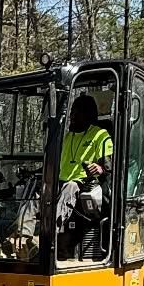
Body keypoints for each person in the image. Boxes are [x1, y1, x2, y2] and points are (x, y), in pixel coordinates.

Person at [56, 94, 113, 252]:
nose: (72, 117)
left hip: (84, 184)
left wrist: (100, 168)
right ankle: (22, 238)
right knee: (37, 194)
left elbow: (110, 165)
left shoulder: (100, 136)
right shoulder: (67, 137)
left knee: (70, 187)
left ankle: (48, 237)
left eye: (77, 113)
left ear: (88, 115)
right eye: (72, 113)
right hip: (59, 181)